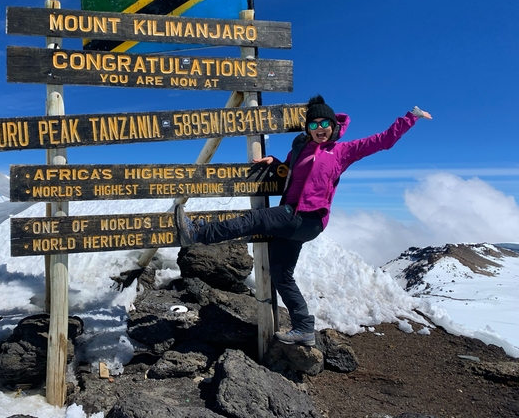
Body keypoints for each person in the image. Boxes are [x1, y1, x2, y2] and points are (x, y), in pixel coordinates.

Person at [175, 95, 432, 346]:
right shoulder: (300, 149)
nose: (320, 129)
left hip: (307, 218)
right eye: (314, 124)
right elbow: (289, 171)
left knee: (255, 219)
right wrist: (273, 163)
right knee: (281, 274)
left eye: (324, 124)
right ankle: (304, 328)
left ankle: (199, 234)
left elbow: (383, 141)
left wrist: (410, 117)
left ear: (333, 126)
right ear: (307, 128)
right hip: (292, 218)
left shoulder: (342, 151)